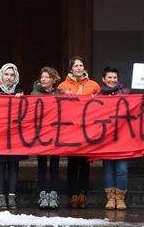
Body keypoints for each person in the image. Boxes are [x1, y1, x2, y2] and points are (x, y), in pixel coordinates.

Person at [58, 56, 100, 208]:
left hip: (87, 129)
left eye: (81, 65)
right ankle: (73, 194)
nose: (78, 68)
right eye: (76, 66)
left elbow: (103, 105)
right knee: (72, 163)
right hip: (70, 130)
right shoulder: (62, 86)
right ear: (71, 69)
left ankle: (83, 193)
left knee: (85, 164)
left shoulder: (94, 85)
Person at [0, 63, 25, 211]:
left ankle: (12, 196)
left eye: (12, 75)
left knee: (14, 166)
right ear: (1, 75)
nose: (9, 78)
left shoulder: (20, 93)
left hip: (15, 135)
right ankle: (1, 197)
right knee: (0, 166)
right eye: (6, 74)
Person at [99, 66, 136, 210]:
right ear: (104, 79)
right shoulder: (99, 96)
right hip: (106, 138)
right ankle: (110, 198)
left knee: (122, 169)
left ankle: (120, 198)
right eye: (109, 77)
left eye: (115, 77)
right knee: (108, 169)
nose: (112, 80)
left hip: (123, 137)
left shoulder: (126, 93)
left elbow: (136, 107)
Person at [31, 66, 62, 210]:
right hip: (41, 135)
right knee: (42, 166)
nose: (43, 79)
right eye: (42, 77)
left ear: (53, 80)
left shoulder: (59, 94)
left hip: (55, 134)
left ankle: (54, 194)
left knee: (55, 166)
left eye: (47, 77)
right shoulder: (34, 94)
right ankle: (42, 195)